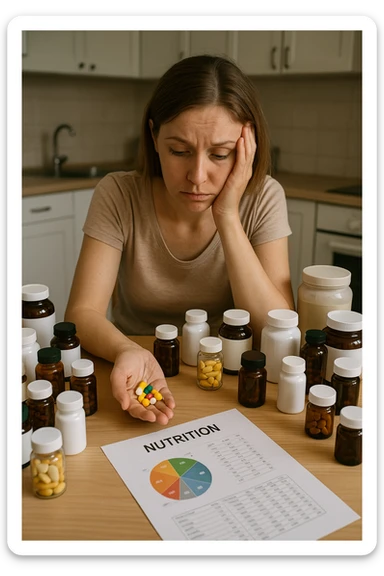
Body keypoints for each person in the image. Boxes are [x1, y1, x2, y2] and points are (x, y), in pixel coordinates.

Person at [65, 54, 295, 425]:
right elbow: (81, 313)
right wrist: (128, 350)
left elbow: (277, 326)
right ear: (154, 137)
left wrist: (227, 216)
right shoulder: (118, 194)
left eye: (220, 154)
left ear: (246, 147)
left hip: (227, 380)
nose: (198, 176)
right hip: (134, 368)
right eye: (179, 151)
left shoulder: (264, 197)